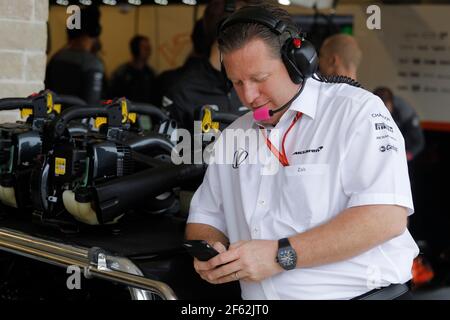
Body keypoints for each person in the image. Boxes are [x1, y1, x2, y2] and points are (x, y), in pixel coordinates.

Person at [185, 3, 418, 300]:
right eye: (237, 82)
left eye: (259, 79)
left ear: (298, 62)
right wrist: (211, 250)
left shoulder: (356, 111)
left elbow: (385, 217)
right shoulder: (235, 135)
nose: (248, 96)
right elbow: (205, 217)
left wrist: (278, 256)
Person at [161, 0, 262, 132]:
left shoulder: (260, 86)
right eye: (248, 30)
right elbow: (167, 150)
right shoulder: (183, 91)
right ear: (226, 31)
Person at [45, 6, 104, 105]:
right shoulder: (92, 63)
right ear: (94, 32)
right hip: (79, 118)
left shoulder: (57, 57)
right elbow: (91, 104)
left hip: (55, 117)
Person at [373, 87, 425, 161]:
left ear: (391, 102)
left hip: (405, 152)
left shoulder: (406, 112)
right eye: (379, 107)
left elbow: (419, 142)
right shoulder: (371, 106)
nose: (382, 111)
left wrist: (405, 157)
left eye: (385, 107)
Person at [108, 35, 157, 104]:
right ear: (135, 49)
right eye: (144, 47)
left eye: (149, 47)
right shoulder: (121, 73)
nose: (148, 50)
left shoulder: (151, 74)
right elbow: (112, 96)